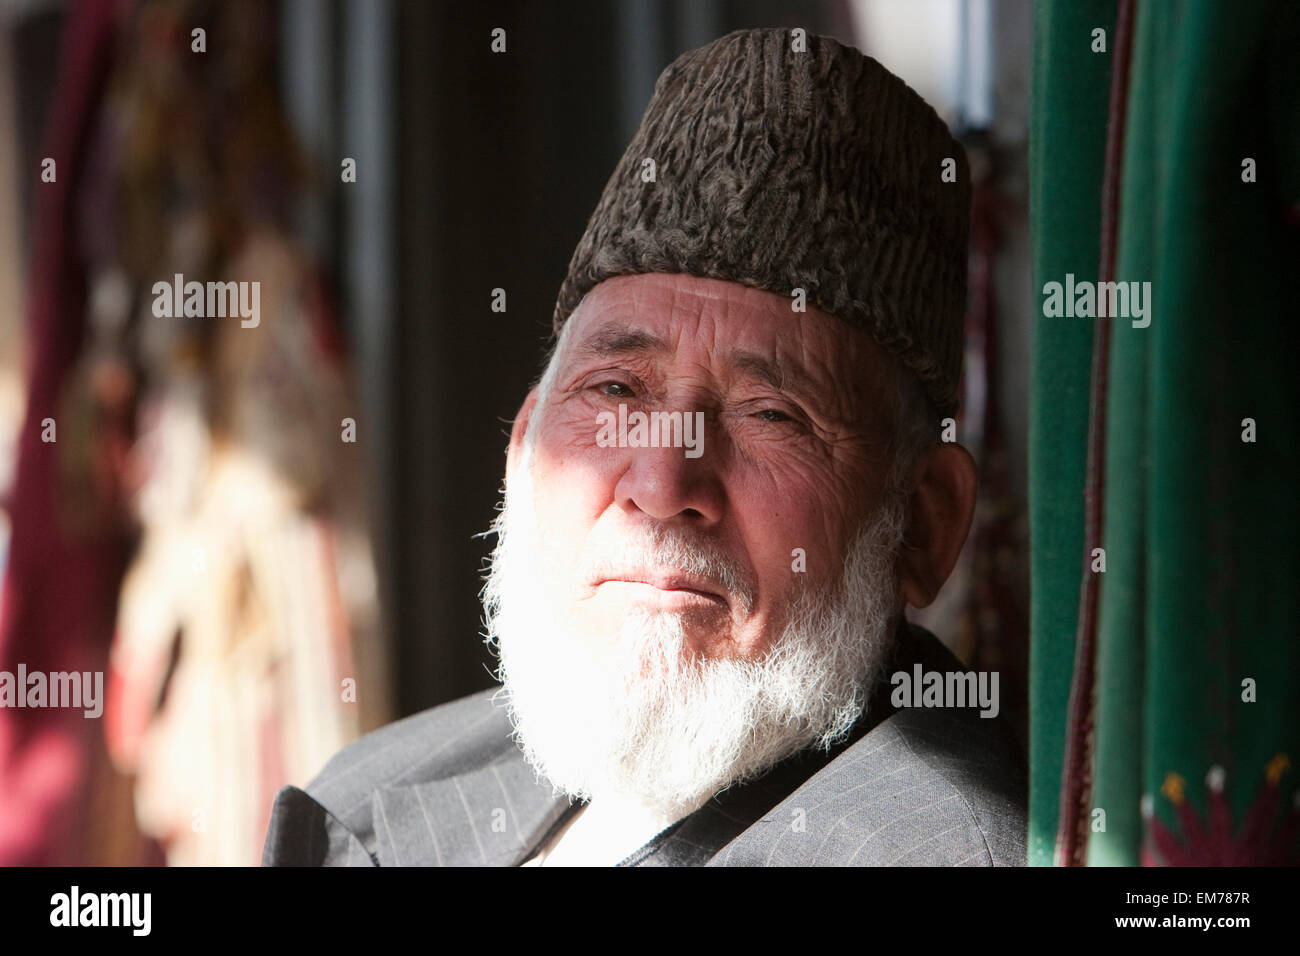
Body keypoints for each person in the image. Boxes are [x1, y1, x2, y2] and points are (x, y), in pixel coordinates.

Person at [262, 26, 1026, 867]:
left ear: (923, 522)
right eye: (616, 391)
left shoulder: (939, 851)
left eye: (770, 413)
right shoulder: (369, 791)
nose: (662, 484)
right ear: (522, 453)